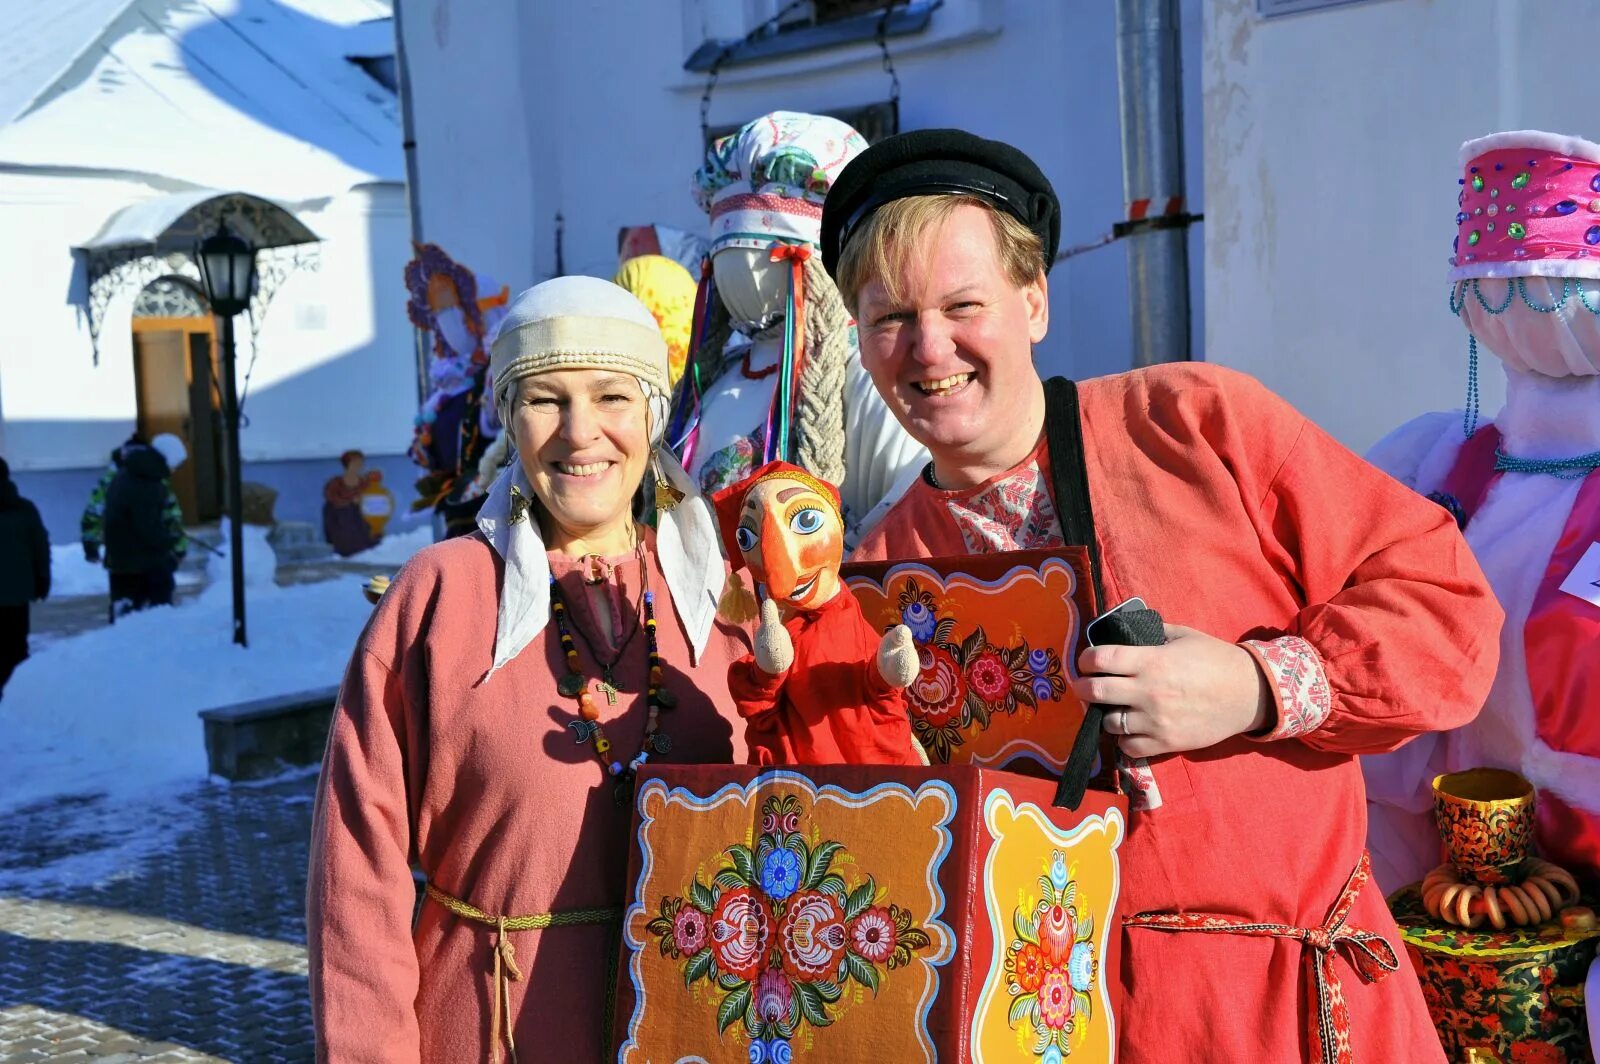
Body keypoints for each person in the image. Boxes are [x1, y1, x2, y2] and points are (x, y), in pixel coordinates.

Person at [823, 129, 1502, 1063]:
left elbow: (1447, 604)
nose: (928, 346)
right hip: (1087, 1037)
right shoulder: (879, 575)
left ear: (1034, 300)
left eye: (963, 304)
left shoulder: (1193, 422)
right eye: (890, 317)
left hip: (1306, 1020)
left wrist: (1257, 686)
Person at [308, 276, 750, 1063]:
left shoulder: (726, 602)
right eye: (546, 399)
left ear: (654, 411)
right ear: (509, 418)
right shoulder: (438, 596)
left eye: (613, 396)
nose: (581, 433)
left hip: (701, 1033)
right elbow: (356, 869)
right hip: (492, 1032)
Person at [1361, 129, 1600, 1056]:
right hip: (1445, 845)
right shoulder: (1435, 461)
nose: (1528, 304)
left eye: (1551, 284)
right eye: (1502, 284)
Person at [665, 111, 927, 545]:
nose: (742, 269)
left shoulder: (867, 371)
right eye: (725, 253)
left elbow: (902, 514)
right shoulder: (710, 378)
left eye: (772, 255)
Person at [103, 432, 188, 619]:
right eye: (176, 464)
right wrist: (169, 542)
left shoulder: (128, 474)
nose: (174, 470)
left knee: (125, 617)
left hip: (122, 561)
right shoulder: (147, 484)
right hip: (143, 564)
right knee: (153, 619)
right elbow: (148, 526)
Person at [0, 457, 50, 700]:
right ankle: (19, 696)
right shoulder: (24, 508)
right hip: (17, 592)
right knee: (17, 645)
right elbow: (40, 546)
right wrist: (42, 579)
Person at [80, 432, 145, 563]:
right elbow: (93, 513)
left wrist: (90, 545)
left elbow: (92, 514)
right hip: (127, 552)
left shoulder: (109, 482)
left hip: (126, 553)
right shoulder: (110, 482)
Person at [322, 449, 380, 557]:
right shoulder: (335, 485)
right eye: (356, 462)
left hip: (363, 532)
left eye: (361, 462)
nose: (360, 465)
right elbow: (329, 514)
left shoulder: (365, 483)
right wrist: (350, 503)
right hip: (342, 527)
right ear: (348, 463)